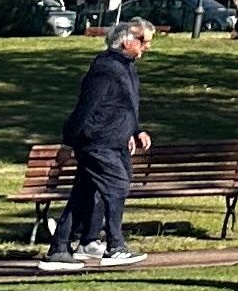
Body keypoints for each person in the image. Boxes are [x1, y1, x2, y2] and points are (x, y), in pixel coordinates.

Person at [39, 18, 154, 272]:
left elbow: (124, 104)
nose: (147, 47)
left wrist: (135, 130)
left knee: (83, 195)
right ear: (127, 41)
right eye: (144, 41)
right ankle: (116, 246)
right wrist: (68, 142)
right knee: (117, 186)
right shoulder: (105, 69)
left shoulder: (126, 67)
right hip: (99, 142)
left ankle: (60, 249)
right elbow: (85, 107)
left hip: (115, 142)